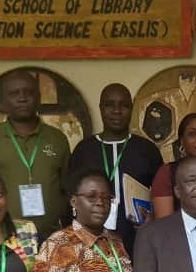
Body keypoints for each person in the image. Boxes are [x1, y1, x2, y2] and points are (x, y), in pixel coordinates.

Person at [0, 69, 72, 238]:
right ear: (4, 101)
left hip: (51, 237)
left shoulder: (57, 138)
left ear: (38, 97)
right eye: (14, 93)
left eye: (29, 92)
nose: (22, 98)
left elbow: (67, 189)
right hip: (3, 238)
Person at [70, 83, 164, 254]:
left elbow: (161, 194)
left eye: (124, 105)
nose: (117, 111)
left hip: (138, 237)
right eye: (109, 105)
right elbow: (71, 195)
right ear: (100, 108)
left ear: (132, 109)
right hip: (91, 238)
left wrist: (153, 219)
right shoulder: (84, 149)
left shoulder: (146, 149)